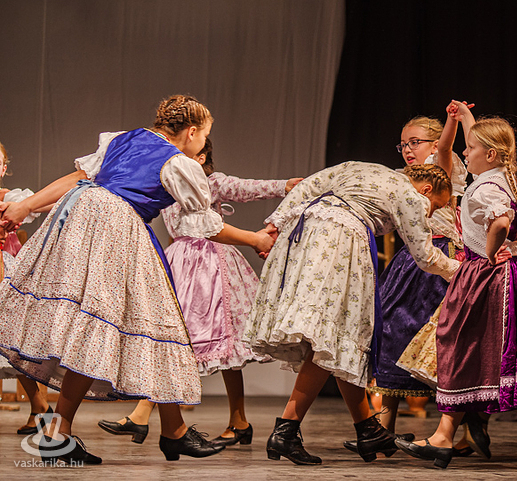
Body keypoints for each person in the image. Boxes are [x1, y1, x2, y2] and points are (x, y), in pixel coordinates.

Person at [0, 95, 274, 464]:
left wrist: (26, 205)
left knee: (141, 323)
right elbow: (206, 226)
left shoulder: (123, 138)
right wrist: (255, 239)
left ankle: (171, 429)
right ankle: (62, 432)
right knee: (111, 325)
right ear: (192, 132)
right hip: (118, 230)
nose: (203, 143)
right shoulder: (179, 163)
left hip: (82, 216)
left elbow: (79, 179)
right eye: (204, 135)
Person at [244, 161, 460, 465]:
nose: (431, 213)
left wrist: (276, 224)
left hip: (307, 235)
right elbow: (424, 255)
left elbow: (308, 186)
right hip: (341, 243)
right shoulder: (412, 195)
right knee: (331, 340)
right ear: (426, 190)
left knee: (341, 339)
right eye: (435, 206)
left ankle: (367, 429)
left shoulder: (366, 169)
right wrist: (460, 270)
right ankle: (287, 430)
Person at [395, 107, 517, 470]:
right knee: (483, 351)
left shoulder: (488, 186)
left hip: (492, 275)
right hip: (502, 275)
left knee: (463, 344)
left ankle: (450, 436)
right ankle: (450, 436)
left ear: (490, 154)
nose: (465, 152)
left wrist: (490, 253)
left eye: (471, 148)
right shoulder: (498, 176)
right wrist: (464, 118)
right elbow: (485, 154)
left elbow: (501, 221)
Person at [98, 138, 301, 447]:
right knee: (170, 338)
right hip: (179, 261)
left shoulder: (210, 181)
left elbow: (244, 188)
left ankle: (151, 416)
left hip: (209, 261)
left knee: (217, 345)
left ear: (202, 155)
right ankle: (233, 421)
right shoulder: (169, 182)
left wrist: (283, 186)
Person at [360, 109, 467, 443]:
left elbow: (446, 148)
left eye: (415, 142)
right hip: (410, 261)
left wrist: (453, 121)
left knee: (446, 341)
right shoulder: (402, 178)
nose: (408, 149)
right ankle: (384, 428)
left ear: (433, 144)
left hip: (441, 257)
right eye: (403, 144)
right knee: (390, 331)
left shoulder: (441, 169)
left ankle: (462, 431)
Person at [0, 142, 54, 435]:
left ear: (4, 169)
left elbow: (45, 205)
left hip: (6, 272)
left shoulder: (11, 199)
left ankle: (39, 405)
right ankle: (39, 406)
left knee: (12, 342)